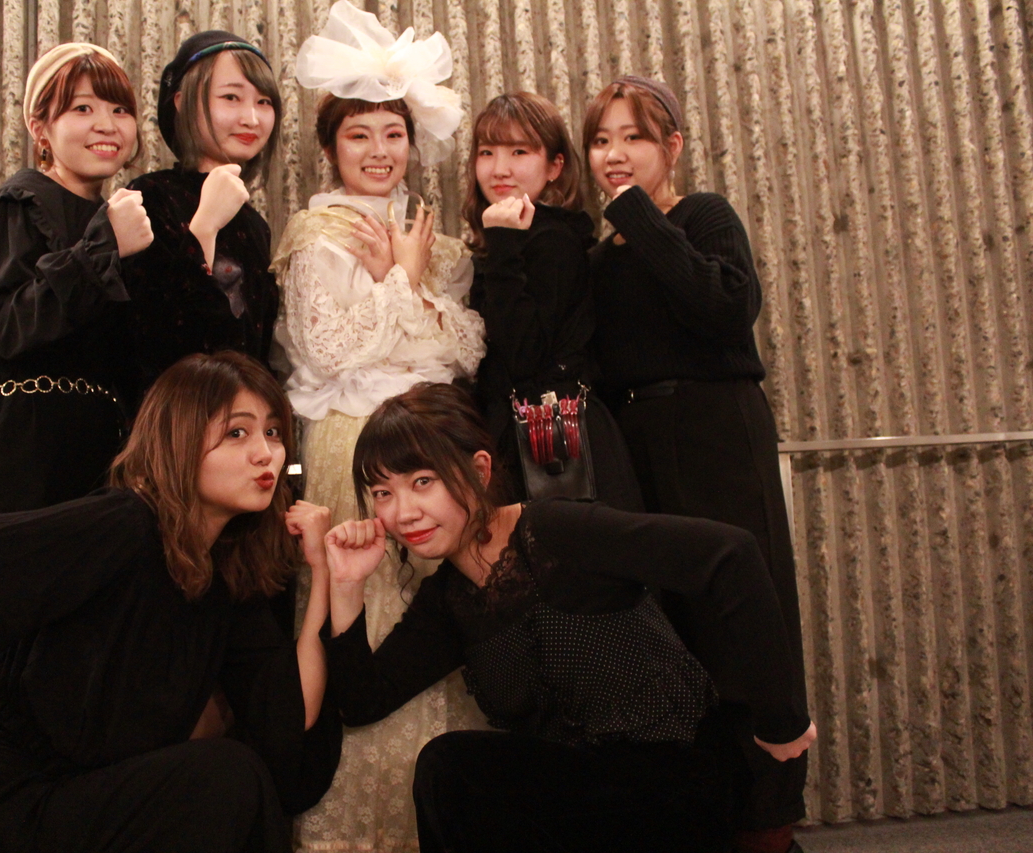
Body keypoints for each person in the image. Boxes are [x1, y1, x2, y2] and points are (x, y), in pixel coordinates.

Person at [0, 352, 341, 853]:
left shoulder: (222, 570)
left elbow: (288, 716)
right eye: (238, 433)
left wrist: (323, 573)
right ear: (179, 438)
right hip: (16, 805)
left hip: (95, 797)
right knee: (227, 778)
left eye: (274, 432)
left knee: (234, 775)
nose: (266, 454)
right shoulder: (126, 523)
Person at [323, 383, 816, 853]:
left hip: (673, 780)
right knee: (449, 766)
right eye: (382, 493)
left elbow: (731, 555)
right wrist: (346, 585)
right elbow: (364, 700)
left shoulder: (556, 529)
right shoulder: (449, 597)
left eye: (422, 482)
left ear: (479, 470)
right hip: (581, 798)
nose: (403, 513)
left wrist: (782, 721)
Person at [270, 2, 488, 849]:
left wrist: (409, 282)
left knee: (440, 602)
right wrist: (404, 289)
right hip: (352, 439)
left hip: (433, 436)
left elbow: (464, 348)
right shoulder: (315, 232)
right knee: (367, 594)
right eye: (358, 135)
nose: (377, 150)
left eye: (392, 134)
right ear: (330, 147)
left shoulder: (435, 237)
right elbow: (329, 351)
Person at [583, 75, 809, 853]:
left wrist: (639, 216)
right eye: (601, 140)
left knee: (746, 624)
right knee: (670, 637)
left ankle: (769, 823)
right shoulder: (600, 256)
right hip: (638, 441)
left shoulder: (702, 215)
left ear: (671, 147)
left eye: (634, 137)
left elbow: (724, 308)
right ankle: (703, 819)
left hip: (716, 429)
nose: (614, 154)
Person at [0, 43, 153, 516]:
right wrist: (102, 246)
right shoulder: (22, 202)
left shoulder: (121, 216)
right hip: (28, 446)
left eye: (120, 109)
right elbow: (3, 328)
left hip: (107, 449)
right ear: (40, 127)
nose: (107, 124)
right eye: (83, 108)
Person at [463, 91, 642, 509]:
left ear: (555, 166)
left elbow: (525, 356)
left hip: (555, 439)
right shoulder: (504, 238)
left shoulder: (553, 238)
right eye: (487, 152)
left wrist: (503, 245)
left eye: (519, 151)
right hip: (527, 435)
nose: (499, 168)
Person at [122, 32, 281, 413]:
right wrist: (205, 227)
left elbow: (256, 349)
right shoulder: (149, 197)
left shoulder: (255, 225)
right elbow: (154, 337)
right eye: (231, 98)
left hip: (243, 424)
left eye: (264, 102)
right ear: (183, 101)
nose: (251, 118)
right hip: (176, 421)